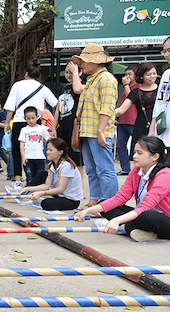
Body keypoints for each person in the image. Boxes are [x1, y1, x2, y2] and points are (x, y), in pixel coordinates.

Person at [75, 136, 170, 242]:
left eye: (139, 153)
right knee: (105, 205)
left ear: (155, 157)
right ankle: (136, 229)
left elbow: (146, 207)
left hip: (169, 221)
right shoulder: (136, 171)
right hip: (140, 213)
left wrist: (116, 220)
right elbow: (119, 198)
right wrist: (88, 210)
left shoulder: (165, 175)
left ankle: (124, 228)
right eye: (134, 152)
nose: (134, 156)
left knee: (148, 216)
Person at [73, 43, 119, 207]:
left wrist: (101, 131)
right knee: (92, 169)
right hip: (87, 131)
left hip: (98, 131)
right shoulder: (93, 80)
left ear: (97, 61)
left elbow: (107, 107)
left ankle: (109, 204)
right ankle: (95, 200)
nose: (82, 64)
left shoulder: (106, 79)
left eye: (85, 60)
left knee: (105, 169)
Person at [3, 59, 58, 192]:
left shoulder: (17, 85)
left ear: (26, 73)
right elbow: (57, 104)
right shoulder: (43, 88)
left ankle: (17, 181)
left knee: (17, 152)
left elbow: (11, 107)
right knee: (36, 150)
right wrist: (55, 126)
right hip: (36, 122)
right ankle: (35, 182)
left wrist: (6, 123)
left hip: (19, 121)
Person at [50, 61, 86, 198]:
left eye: (71, 72)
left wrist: (75, 74)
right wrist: (54, 127)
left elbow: (77, 90)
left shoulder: (82, 86)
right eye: (67, 72)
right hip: (62, 126)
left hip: (75, 127)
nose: (69, 75)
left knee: (77, 159)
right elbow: (58, 108)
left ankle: (81, 188)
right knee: (62, 156)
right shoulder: (64, 88)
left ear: (79, 72)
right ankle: (62, 186)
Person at [150, 33, 170, 180]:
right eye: (164, 51)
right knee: (164, 175)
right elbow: (159, 104)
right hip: (163, 133)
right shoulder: (167, 73)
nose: (166, 54)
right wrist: (152, 131)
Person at [19, 138, 83, 211]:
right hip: (59, 195)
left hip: (71, 200)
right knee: (43, 174)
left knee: (46, 203)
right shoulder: (53, 164)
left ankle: (37, 198)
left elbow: (60, 189)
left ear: (60, 152)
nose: (47, 152)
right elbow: (47, 185)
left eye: (51, 150)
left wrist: (42, 193)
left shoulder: (66, 166)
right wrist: (28, 188)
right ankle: (24, 193)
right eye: (47, 149)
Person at [115, 63, 158, 158]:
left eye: (154, 73)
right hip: (141, 125)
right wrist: (111, 112)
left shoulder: (161, 89)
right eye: (149, 74)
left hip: (159, 125)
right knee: (141, 154)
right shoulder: (136, 92)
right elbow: (122, 108)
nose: (152, 76)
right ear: (141, 76)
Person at [18, 106, 51, 184]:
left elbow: (48, 141)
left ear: (37, 117)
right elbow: (22, 143)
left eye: (33, 118)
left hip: (40, 157)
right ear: (25, 119)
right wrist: (23, 156)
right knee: (29, 176)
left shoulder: (42, 129)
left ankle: (38, 192)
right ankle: (29, 190)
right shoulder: (24, 130)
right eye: (28, 119)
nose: (31, 120)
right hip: (28, 157)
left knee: (39, 176)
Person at [116, 66, 139, 175]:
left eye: (130, 74)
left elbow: (131, 97)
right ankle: (125, 168)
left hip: (133, 120)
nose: (127, 76)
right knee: (120, 145)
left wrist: (125, 85)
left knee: (137, 146)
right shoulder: (128, 86)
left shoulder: (138, 86)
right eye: (126, 74)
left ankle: (138, 169)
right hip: (122, 120)